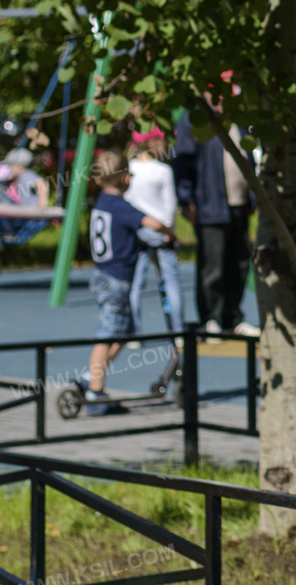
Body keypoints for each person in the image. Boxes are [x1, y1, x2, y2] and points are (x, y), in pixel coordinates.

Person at [84, 150, 171, 413]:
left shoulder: (102, 202)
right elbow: (151, 223)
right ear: (125, 179)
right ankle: (95, 393)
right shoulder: (120, 205)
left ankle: (92, 376)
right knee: (108, 335)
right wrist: (170, 232)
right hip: (116, 279)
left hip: (103, 275)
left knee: (125, 332)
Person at [174, 116, 257, 336]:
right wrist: (186, 199)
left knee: (239, 263)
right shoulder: (195, 119)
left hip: (239, 204)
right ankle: (210, 318)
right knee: (212, 265)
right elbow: (183, 161)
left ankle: (232, 318)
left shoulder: (238, 117)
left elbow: (249, 158)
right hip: (210, 205)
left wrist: (252, 197)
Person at [125, 128, 184, 340]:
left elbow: (127, 203)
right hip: (161, 231)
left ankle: (134, 333)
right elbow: (170, 205)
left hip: (138, 232)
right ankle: (178, 331)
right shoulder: (163, 170)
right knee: (171, 282)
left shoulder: (129, 170)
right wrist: (170, 232)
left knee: (135, 285)